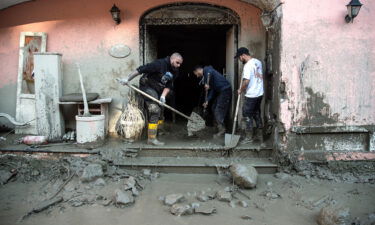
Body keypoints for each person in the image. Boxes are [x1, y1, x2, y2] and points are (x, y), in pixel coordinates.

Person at [118, 53, 183, 146]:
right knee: (155, 110)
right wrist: (127, 79)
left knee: (161, 107)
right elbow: (140, 70)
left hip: (159, 89)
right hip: (147, 86)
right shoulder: (159, 64)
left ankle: (158, 130)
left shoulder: (175, 71)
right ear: (172, 59)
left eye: (180, 64)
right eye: (177, 62)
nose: (178, 65)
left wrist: (163, 96)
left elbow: (169, 85)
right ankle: (151, 139)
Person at [193, 65, 231, 138]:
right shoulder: (208, 76)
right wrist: (207, 100)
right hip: (220, 92)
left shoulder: (207, 70)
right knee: (213, 107)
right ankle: (216, 127)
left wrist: (207, 83)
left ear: (198, 70)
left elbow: (210, 70)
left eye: (196, 74)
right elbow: (213, 90)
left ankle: (222, 130)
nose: (197, 76)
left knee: (218, 110)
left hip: (225, 90)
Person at [235, 47, 264, 143]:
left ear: (243, 55)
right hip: (260, 93)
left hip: (251, 94)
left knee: (247, 114)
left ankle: (249, 137)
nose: (239, 60)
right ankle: (260, 136)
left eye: (239, 58)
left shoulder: (247, 66)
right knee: (256, 113)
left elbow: (246, 81)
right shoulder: (258, 62)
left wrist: (240, 90)